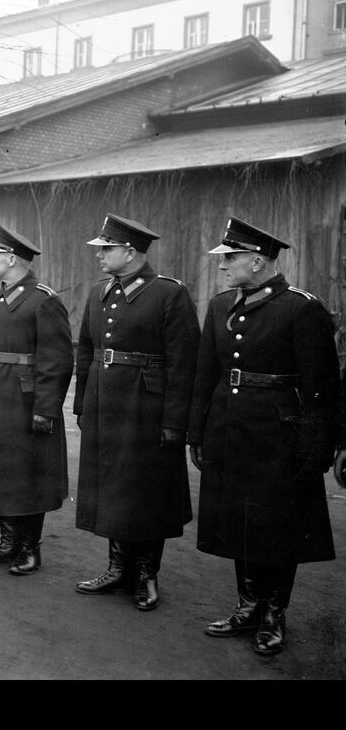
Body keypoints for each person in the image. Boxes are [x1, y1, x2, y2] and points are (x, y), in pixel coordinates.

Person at [189, 217, 339, 656]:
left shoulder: (300, 307)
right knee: (239, 518)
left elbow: (322, 386)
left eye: (230, 258)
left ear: (257, 261)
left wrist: (319, 446)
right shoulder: (220, 306)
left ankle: (274, 613)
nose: (222, 266)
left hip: (279, 434)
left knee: (277, 525)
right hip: (229, 428)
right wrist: (197, 430)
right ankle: (248, 604)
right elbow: (206, 374)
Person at [73, 213, 200, 611]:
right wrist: (81, 403)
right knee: (113, 485)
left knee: (144, 492)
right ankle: (117, 569)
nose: (100, 255)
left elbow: (184, 364)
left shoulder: (168, 294)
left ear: (131, 252)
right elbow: (86, 350)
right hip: (105, 404)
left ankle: (146, 574)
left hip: (146, 407)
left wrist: (175, 422)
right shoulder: (99, 293)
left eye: (107, 249)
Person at [0, 226, 73, 575]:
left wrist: (46, 409)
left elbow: (56, 361)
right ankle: (8, 543)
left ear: (11, 259)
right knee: (4, 472)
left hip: (24, 401)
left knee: (27, 475)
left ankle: (30, 548)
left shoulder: (44, 300)